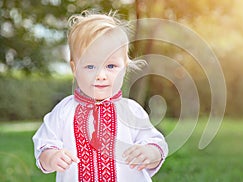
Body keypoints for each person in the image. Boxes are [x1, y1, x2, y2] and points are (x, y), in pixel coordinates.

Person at [32, 10, 168, 182]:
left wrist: (150, 152)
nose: (101, 75)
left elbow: (156, 142)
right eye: (90, 66)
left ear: (124, 67)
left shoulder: (131, 110)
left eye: (111, 66)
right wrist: (51, 157)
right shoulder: (63, 111)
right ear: (74, 69)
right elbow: (44, 143)